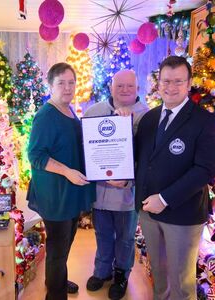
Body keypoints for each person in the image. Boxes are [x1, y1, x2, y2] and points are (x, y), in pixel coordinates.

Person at [133, 56, 215, 300]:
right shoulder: (149, 119)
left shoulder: (204, 121)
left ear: (189, 83)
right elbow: (141, 159)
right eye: (166, 81)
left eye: (178, 81)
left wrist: (165, 198)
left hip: (183, 214)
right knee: (159, 276)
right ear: (158, 83)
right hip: (148, 211)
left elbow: (205, 170)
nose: (171, 87)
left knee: (181, 281)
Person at [27, 62, 96, 300]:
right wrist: (67, 171)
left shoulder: (68, 109)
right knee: (58, 249)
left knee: (64, 245)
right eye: (61, 83)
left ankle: (55, 279)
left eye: (71, 82)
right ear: (50, 86)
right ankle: (55, 295)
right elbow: (35, 156)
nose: (67, 88)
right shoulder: (46, 116)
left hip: (70, 191)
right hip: (55, 194)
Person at [82, 69, 150, 299]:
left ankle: (121, 274)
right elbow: (86, 150)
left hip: (127, 194)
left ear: (138, 89)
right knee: (102, 234)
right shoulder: (94, 112)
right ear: (111, 87)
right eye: (119, 85)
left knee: (125, 237)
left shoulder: (147, 116)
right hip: (100, 192)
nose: (124, 90)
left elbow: (149, 158)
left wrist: (129, 179)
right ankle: (102, 272)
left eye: (130, 86)